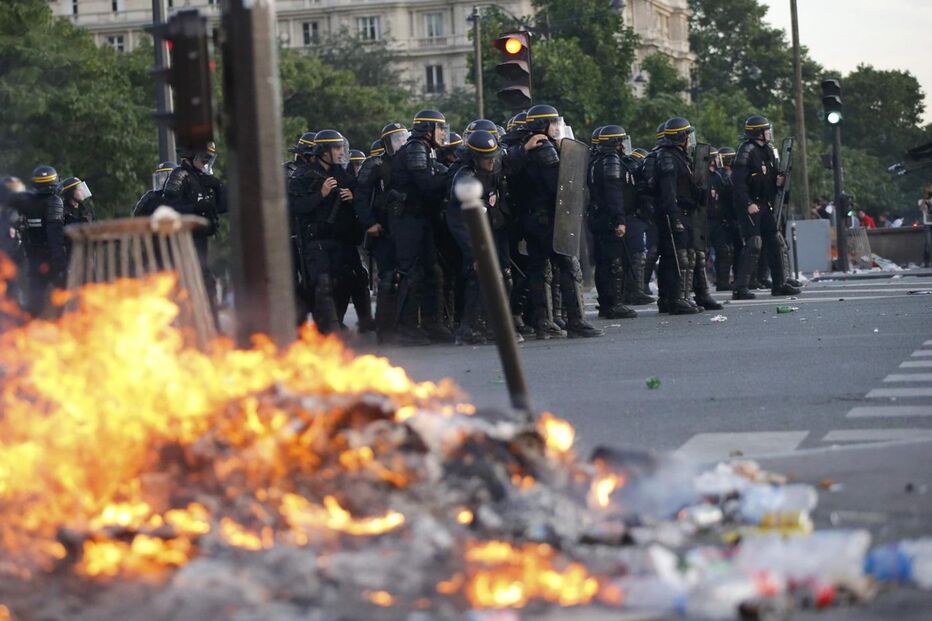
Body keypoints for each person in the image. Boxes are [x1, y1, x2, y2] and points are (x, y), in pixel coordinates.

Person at [508, 103, 602, 338]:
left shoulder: (523, 148)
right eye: (553, 123)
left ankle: (543, 323)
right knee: (569, 267)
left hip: (530, 219)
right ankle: (576, 321)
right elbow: (559, 187)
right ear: (543, 125)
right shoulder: (545, 149)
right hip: (549, 220)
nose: (557, 127)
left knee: (540, 271)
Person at [386, 109, 455, 345]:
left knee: (433, 271)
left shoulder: (426, 150)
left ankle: (431, 323)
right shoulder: (416, 148)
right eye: (439, 128)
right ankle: (406, 327)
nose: (443, 133)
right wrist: (452, 174)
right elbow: (426, 184)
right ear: (427, 130)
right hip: (408, 220)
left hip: (421, 219)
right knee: (411, 272)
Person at [445, 129, 514, 344]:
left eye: (493, 157)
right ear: (475, 158)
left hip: (490, 236)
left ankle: (489, 325)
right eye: (486, 158)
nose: (491, 161)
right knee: (477, 281)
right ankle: (468, 329)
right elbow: (458, 221)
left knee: (500, 279)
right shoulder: (465, 179)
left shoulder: (491, 172)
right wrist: (474, 252)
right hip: (471, 239)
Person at [286, 128, 355, 334]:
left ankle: (335, 322)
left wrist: (352, 197)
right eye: (336, 148)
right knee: (322, 283)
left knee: (344, 282)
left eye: (341, 148)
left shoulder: (343, 175)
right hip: (315, 241)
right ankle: (329, 330)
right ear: (324, 151)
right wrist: (321, 194)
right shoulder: (302, 176)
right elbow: (296, 207)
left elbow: (359, 201)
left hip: (339, 239)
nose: (341, 152)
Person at [730, 116, 800, 299]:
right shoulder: (746, 150)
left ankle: (779, 284)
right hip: (750, 205)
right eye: (766, 130)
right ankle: (740, 288)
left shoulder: (768, 150)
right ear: (758, 132)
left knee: (775, 241)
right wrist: (748, 203)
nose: (769, 133)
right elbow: (738, 182)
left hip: (763, 203)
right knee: (754, 243)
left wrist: (778, 181)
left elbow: (770, 176)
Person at [163, 141, 227, 317]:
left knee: (207, 284)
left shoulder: (204, 179)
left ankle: (211, 324)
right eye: (203, 158)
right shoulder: (179, 175)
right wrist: (195, 208)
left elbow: (222, 207)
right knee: (187, 283)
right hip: (183, 240)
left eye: (208, 159)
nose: (206, 162)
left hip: (201, 240)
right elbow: (169, 208)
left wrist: (218, 187)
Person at [587, 124, 638, 319]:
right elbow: (614, 193)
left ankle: (606, 303)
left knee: (603, 263)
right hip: (609, 218)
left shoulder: (595, 161)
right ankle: (615, 303)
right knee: (615, 263)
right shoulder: (611, 161)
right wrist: (619, 220)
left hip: (598, 217)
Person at [653, 117, 701, 315]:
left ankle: (680, 297)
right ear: (681, 137)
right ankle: (676, 299)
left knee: (684, 256)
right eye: (687, 135)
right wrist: (674, 218)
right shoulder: (668, 157)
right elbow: (669, 192)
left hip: (683, 211)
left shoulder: (680, 156)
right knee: (677, 257)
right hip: (675, 212)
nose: (690, 139)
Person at [18, 165, 67, 316]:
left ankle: (26, 326)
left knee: (35, 300)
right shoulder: (54, 201)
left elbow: (24, 231)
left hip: (34, 257)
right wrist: (60, 259)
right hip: (51, 257)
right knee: (63, 297)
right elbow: (54, 233)